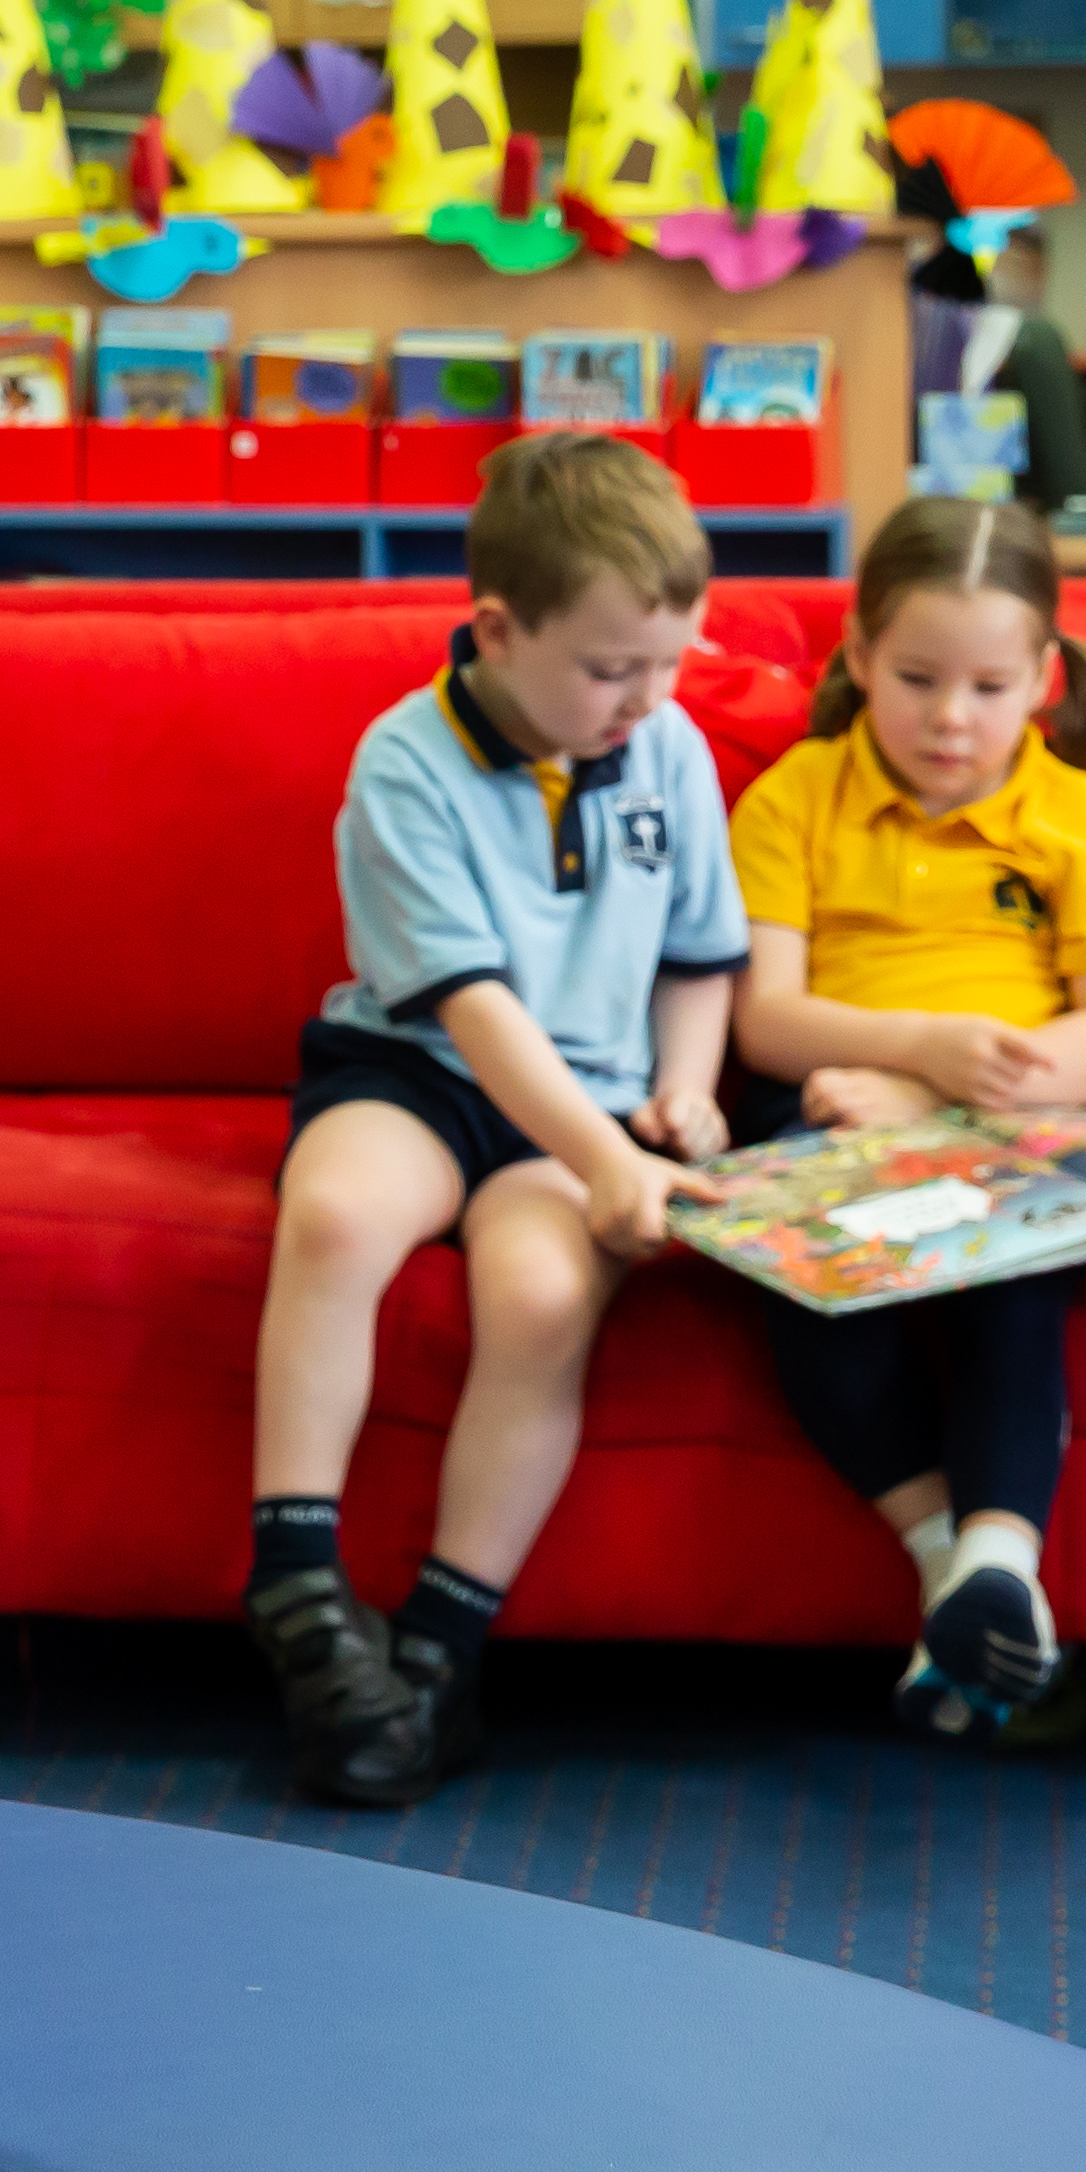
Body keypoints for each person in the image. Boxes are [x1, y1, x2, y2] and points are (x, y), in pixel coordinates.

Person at [250, 433, 745, 1810]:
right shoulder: (403, 761)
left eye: (665, 666)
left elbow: (702, 952)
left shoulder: (669, 750)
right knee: (336, 1210)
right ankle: (293, 1578)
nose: (640, 700)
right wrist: (612, 1163)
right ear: (494, 629)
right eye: (605, 669)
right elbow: (466, 1011)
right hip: (415, 1066)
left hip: (582, 1099)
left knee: (536, 1293)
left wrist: (685, 1085)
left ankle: (434, 1651)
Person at [723, 496, 1086, 1739]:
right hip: (826, 1105)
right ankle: (966, 1575)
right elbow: (766, 1016)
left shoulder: (1076, 814)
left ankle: (984, 1568)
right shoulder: (796, 797)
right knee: (812, 1290)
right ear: (858, 658)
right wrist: (909, 1053)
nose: (951, 719)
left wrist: (944, 1090)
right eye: (916, 679)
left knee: (1015, 1290)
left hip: (1014, 1118)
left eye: (988, 685)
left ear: (1045, 678)